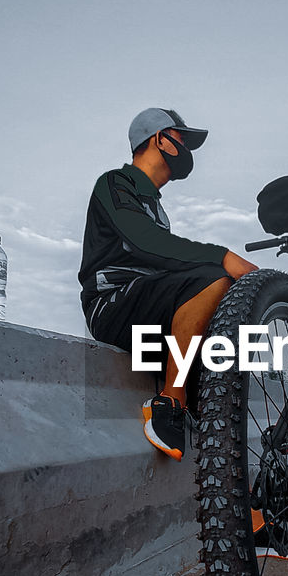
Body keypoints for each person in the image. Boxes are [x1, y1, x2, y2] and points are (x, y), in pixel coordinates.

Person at [78, 107, 257, 460]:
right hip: (112, 305)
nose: (187, 150)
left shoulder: (157, 206)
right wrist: (223, 256)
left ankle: (241, 498)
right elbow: (149, 244)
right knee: (213, 278)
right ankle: (169, 403)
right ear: (159, 139)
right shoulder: (115, 183)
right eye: (181, 139)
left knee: (222, 370)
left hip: (150, 309)